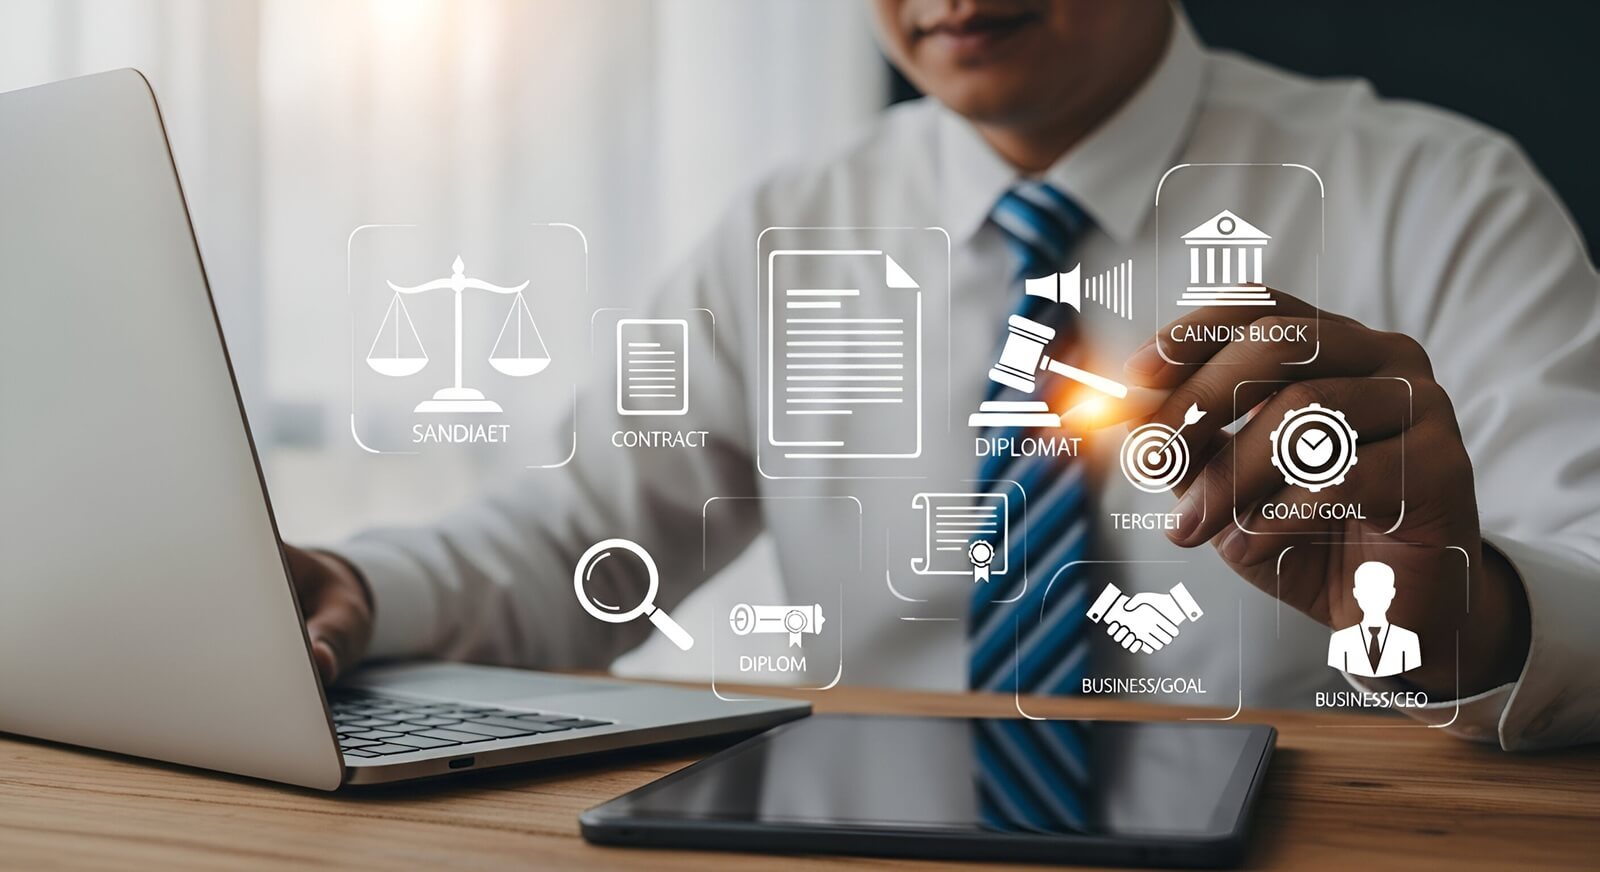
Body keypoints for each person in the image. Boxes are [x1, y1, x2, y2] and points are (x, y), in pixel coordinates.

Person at [288, 0, 1600, 751]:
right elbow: (577, 532)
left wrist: (1459, 621)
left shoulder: (1438, 194)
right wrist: (361, 586)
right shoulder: (790, 228)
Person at [1326, 561, 1422, 679]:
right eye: (1367, 590)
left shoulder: (1408, 641)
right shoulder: (1340, 641)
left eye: (1381, 590)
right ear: (1356, 593)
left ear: (1392, 593)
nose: (1374, 597)